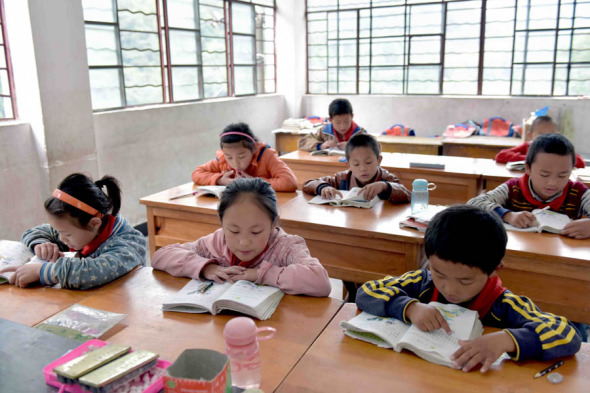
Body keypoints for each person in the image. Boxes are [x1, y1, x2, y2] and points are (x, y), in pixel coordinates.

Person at [356, 205, 582, 372]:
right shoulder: (423, 282)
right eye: (439, 273)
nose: (449, 289)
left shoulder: (503, 303)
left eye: (465, 281)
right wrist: (410, 308)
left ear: (495, 269)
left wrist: (507, 340)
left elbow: (567, 334)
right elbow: (367, 291)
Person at [152, 178, 331, 297]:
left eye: (256, 232)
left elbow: (321, 282)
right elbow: (161, 256)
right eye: (234, 231)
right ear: (222, 222)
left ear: (274, 223)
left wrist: (261, 274)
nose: (244, 242)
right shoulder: (216, 242)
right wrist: (207, 268)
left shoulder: (286, 246)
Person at [0, 173, 146, 289]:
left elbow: (93, 271)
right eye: (59, 231)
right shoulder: (78, 228)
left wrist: (43, 271)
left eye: (67, 234)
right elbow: (33, 232)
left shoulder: (127, 245)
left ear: (94, 224)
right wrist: (42, 244)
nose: (61, 238)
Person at [469, 133, 590, 239]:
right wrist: (508, 215)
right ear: (528, 168)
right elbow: (474, 203)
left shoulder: (578, 193)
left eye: (562, 175)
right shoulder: (514, 188)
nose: (552, 182)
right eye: (544, 174)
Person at [302, 133, 410, 204]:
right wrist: (323, 187)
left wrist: (385, 186)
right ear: (348, 165)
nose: (363, 168)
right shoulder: (343, 178)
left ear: (378, 160)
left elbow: (408, 195)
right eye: (356, 164)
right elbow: (308, 183)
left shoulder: (385, 178)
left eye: (368, 162)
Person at [192, 122, 298, 192]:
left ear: (254, 149)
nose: (235, 163)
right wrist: (220, 180)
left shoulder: (267, 156)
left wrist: (253, 181)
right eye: (229, 157)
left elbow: (290, 182)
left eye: (241, 157)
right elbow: (197, 173)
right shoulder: (222, 160)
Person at [495, 115, 585, 168]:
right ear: (530, 135)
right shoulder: (528, 146)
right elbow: (501, 155)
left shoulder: (559, 149)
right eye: (541, 134)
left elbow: (580, 162)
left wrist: (556, 160)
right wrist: (531, 159)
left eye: (550, 134)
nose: (546, 138)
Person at [298, 98, 367, 152]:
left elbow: (374, 146)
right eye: (338, 123)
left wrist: (353, 146)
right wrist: (321, 146)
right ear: (330, 120)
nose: (342, 126)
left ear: (352, 117)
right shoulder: (324, 132)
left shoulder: (360, 133)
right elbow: (302, 142)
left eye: (346, 122)